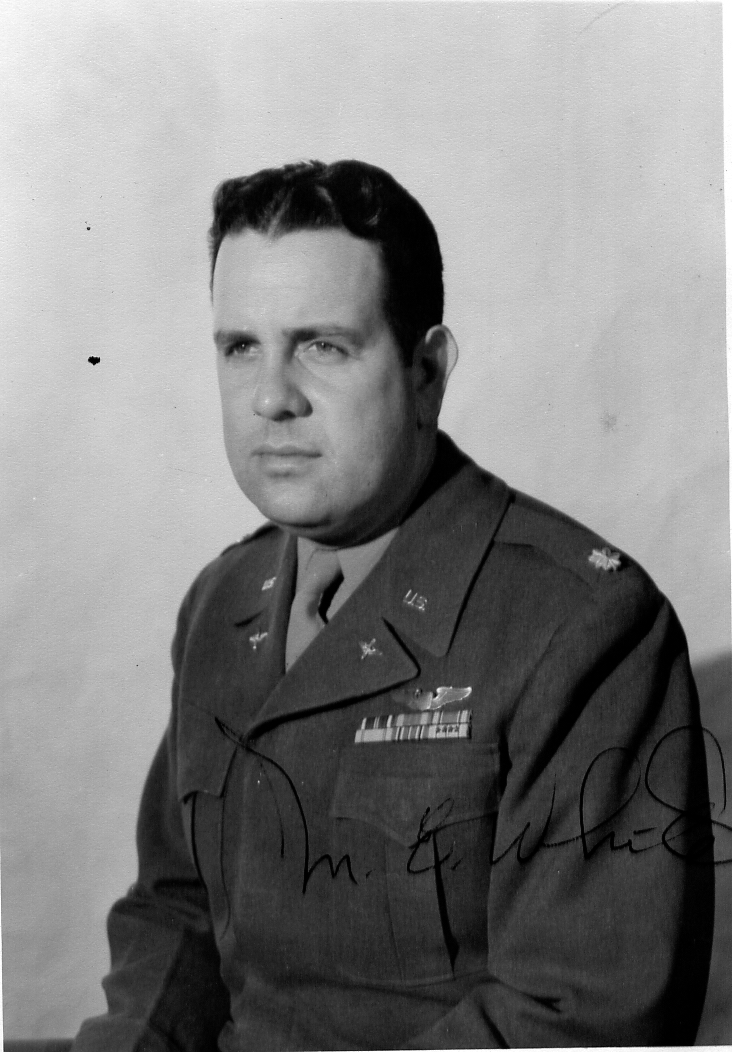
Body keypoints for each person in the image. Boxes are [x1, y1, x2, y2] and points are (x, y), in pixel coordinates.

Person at [72, 160, 714, 1051]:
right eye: (241, 347)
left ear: (426, 371)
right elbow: (176, 914)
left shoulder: (581, 626)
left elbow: (582, 1017)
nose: (271, 398)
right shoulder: (222, 604)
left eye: (323, 346)